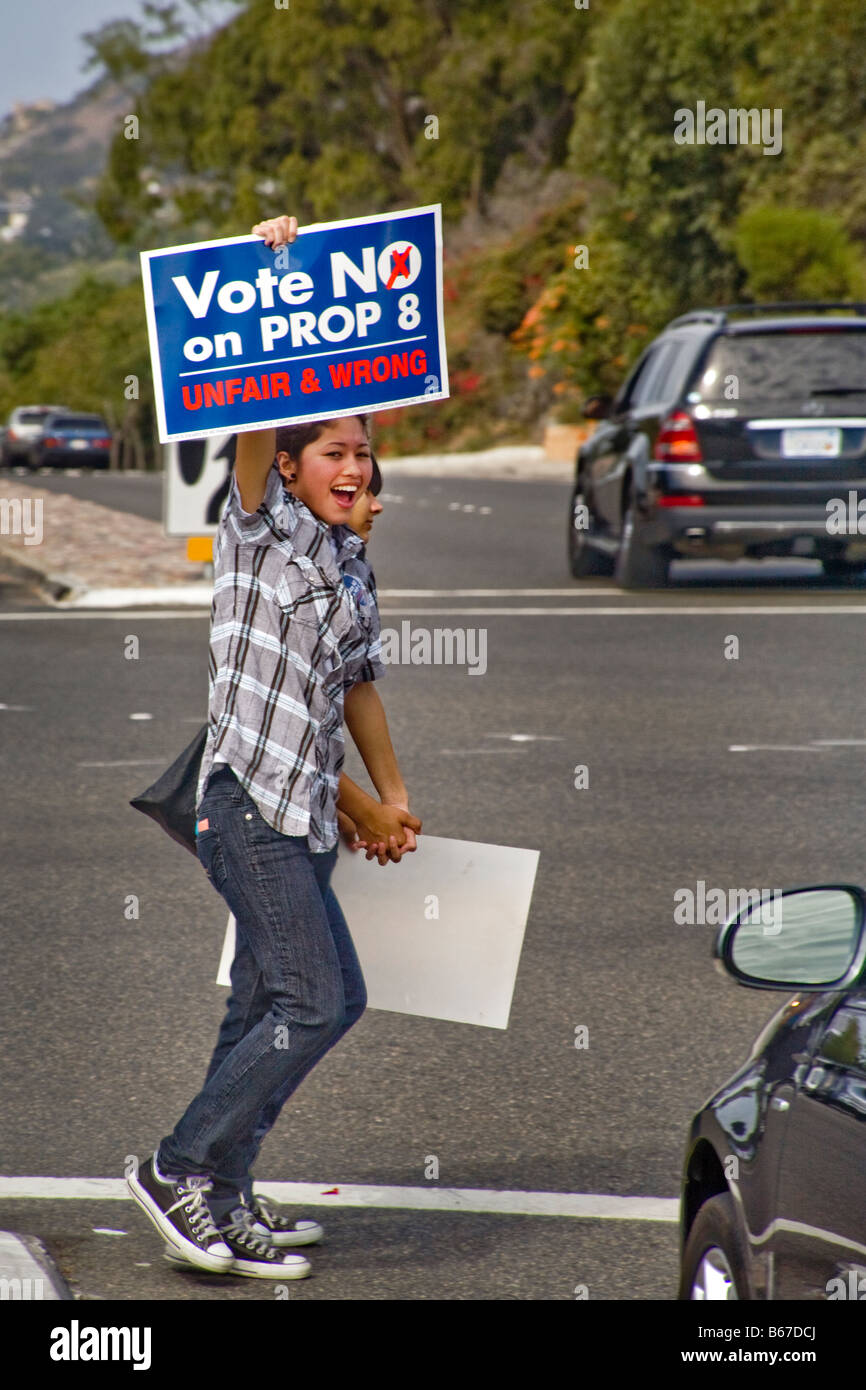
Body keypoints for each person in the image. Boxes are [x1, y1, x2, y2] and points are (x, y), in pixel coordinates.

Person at [128, 213, 422, 1280]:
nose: (354, 463)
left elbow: (355, 689)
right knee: (322, 1000)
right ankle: (176, 1164)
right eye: (333, 450)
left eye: (363, 451)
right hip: (243, 805)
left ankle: (224, 1188)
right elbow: (257, 413)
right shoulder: (258, 529)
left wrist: (385, 799)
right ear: (291, 467)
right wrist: (273, 274)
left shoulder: (352, 564)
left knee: (261, 1004)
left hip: (304, 812)